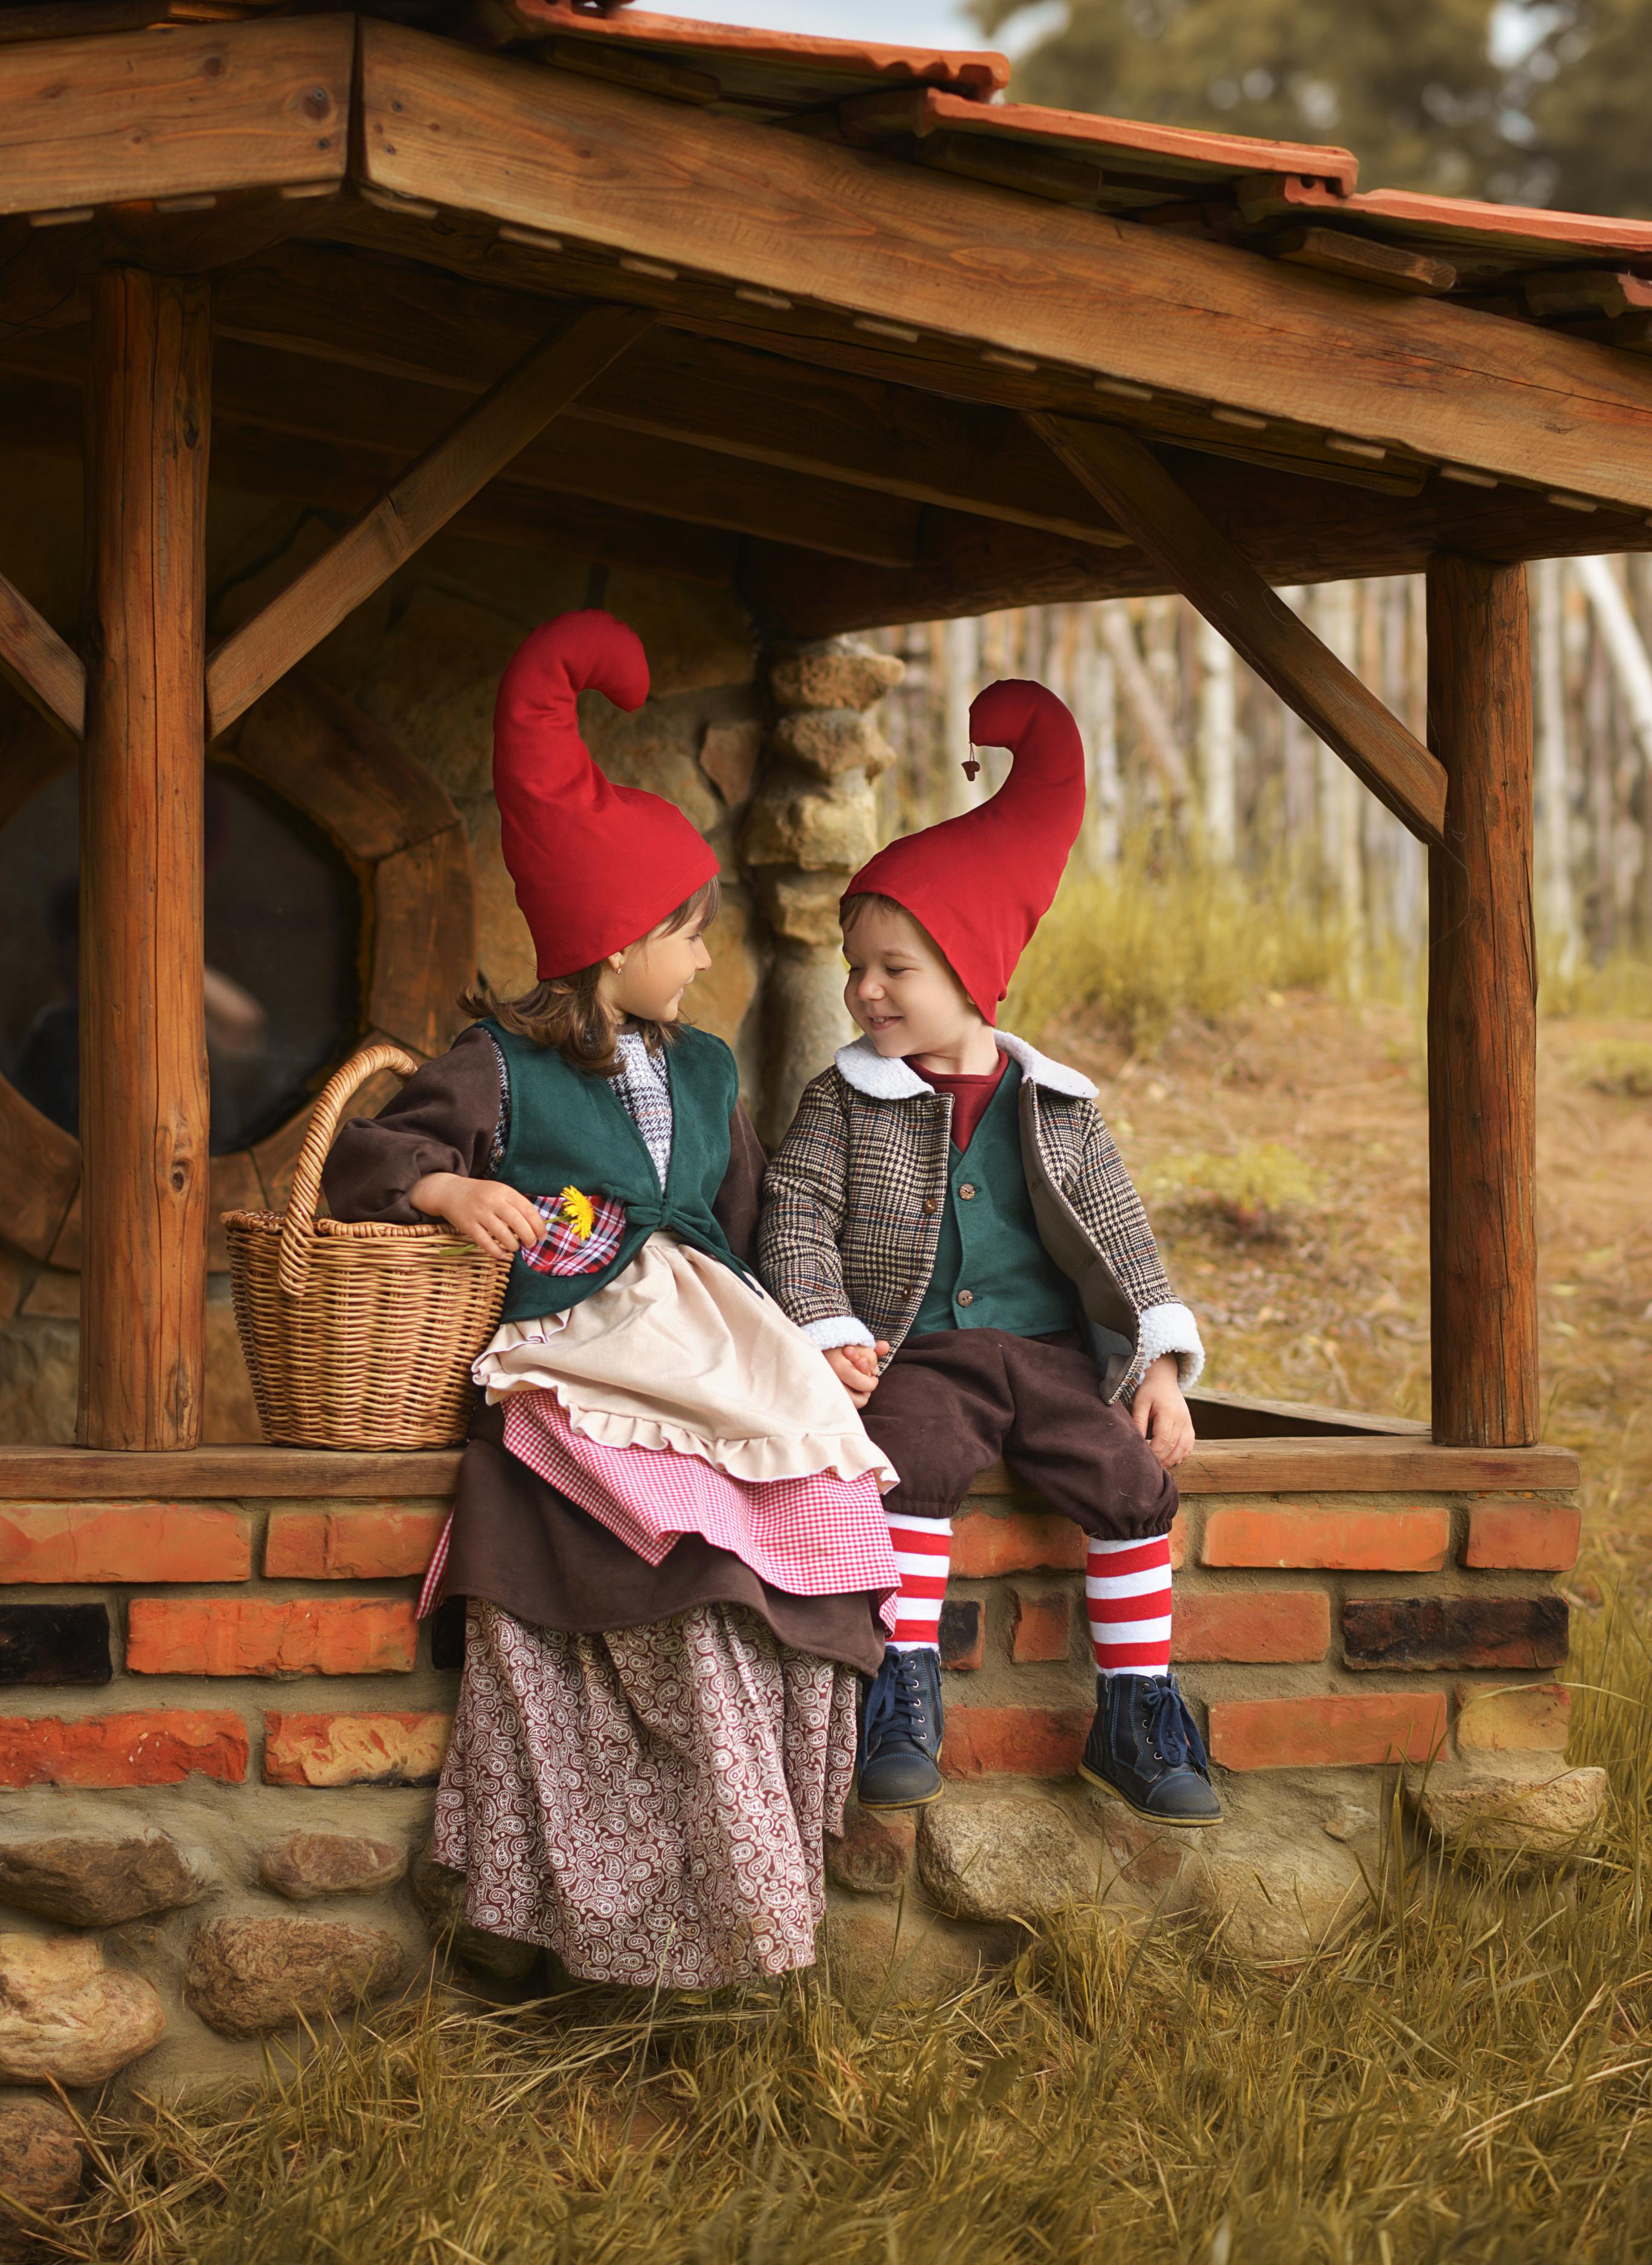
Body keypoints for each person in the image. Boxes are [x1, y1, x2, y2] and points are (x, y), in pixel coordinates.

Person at [324, 610, 898, 1988]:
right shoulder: (498, 1067)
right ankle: (614, 1923)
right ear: (617, 937)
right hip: (584, 1361)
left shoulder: (703, 1075)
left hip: (717, 1354)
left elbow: (759, 1226)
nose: (705, 962)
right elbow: (365, 1154)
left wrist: (817, 1336)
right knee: (678, 1585)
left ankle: (767, 1861)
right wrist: (449, 1192)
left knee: (814, 1544)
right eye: (688, 935)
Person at [758, 677, 1221, 1827]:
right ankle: (904, 1690)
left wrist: (1156, 1362)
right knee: (908, 1462)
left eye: (894, 970)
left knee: (1131, 1484)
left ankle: (1136, 1708)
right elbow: (797, 1213)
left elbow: (1119, 1233)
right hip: (920, 1353)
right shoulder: (842, 1103)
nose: (863, 991)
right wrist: (826, 1330)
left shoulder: (1055, 1105)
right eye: (854, 967)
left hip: (1054, 1358)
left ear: (971, 972)